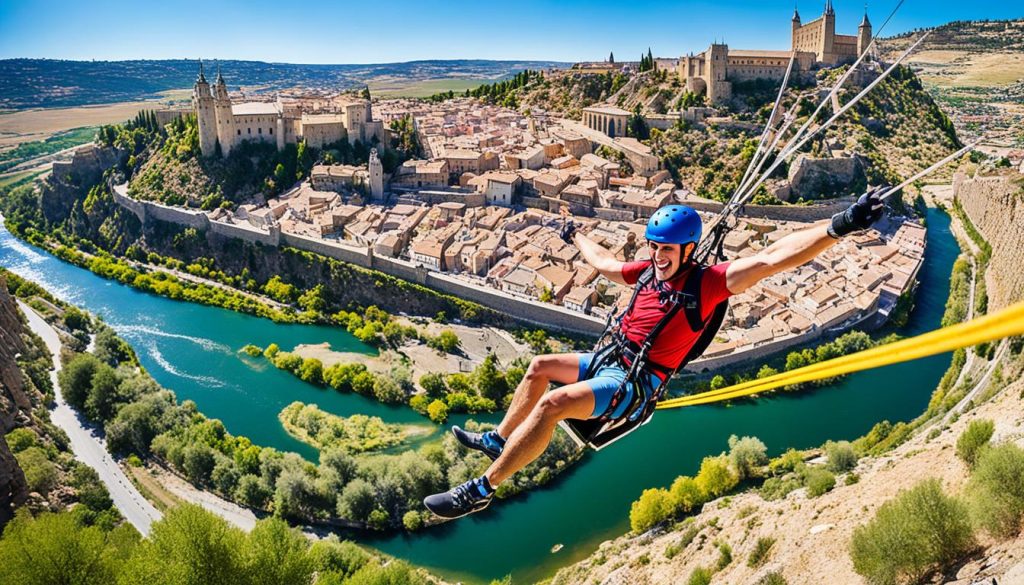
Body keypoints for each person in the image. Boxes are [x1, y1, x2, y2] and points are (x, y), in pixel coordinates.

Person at [423, 188, 887, 519]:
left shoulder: (706, 286)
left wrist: (838, 226)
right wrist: (573, 235)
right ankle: (499, 441)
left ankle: (481, 490)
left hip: (633, 384)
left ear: (688, 250)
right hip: (610, 359)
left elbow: (771, 259)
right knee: (539, 367)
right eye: (654, 247)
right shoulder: (648, 270)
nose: (659, 255)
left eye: (666, 249)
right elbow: (603, 262)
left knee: (553, 404)